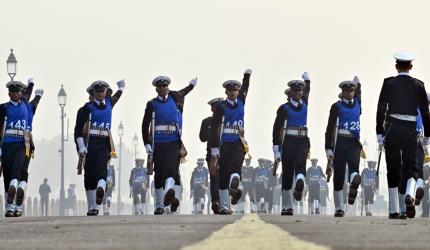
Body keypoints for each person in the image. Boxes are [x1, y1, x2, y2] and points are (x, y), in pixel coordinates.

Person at [376, 52, 430, 219]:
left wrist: (379, 131)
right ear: (411, 67)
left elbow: (381, 108)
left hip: (393, 127)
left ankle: (394, 210)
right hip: (411, 128)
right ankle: (409, 193)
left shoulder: (388, 83)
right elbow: (425, 112)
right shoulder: (419, 85)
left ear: (396, 66)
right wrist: (427, 135)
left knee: (393, 168)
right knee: (411, 166)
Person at [142, 76, 197, 215]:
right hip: (158, 142)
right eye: (160, 87)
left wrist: (191, 85)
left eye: (165, 86)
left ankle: (170, 191)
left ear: (168, 87)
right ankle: (159, 205)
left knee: (171, 167)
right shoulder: (152, 104)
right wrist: (147, 143)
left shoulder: (175, 97)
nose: (163, 88)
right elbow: (145, 125)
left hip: (173, 140)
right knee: (159, 172)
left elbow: (185, 92)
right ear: (156, 89)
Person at [74, 79, 125, 216]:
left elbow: (116, 97)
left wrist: (121, 88)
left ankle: (101, 189)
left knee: (102, 169)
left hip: (104, 144)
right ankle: (92, 206)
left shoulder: (109, 104)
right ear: (93, 93)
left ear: (105, 92)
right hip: (90, 144)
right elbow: (78, 131)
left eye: (103, 91)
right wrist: (81, 146)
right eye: (98, 91)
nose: (101, 93)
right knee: (89, 175)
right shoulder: (86, 108)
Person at [210, 69, 252, 215]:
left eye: (236, 90)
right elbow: (215, 128)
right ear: (226, 92)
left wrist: (247, 76)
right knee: (222, 174)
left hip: (238, 141)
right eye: (231, 91)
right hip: (224, 143)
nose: (234, 93)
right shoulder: (221, 107)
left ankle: (235, 180)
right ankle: (224, 206)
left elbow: (246, 88)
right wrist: (214, 149)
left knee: (236, 164)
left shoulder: (241, 102)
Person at [273, 72, 311, 216]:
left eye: (300, 90)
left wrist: (308, 80)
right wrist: (276, 149)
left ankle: (300, 184)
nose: (298, 92)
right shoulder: (284, 108)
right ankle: (287, 206)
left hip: (303, 140)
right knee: (287, 172)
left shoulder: (305, 103)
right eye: (295, 90)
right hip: (288, 141)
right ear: (291, 92)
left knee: (300, 164)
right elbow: (276, 129)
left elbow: (308, 90)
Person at [325, 76, 362, 217]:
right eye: (347, 91)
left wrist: (359, 83)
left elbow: (360, 95)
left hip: (354, 142)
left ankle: (354, 181)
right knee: (339, 175)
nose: (350, 93)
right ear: (342, 92)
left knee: (354, 165)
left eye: (352, 91)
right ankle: (339, 207)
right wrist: (328, 148)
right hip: (339, 141)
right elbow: (329, 128)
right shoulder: (336, 107)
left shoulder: (358, 104)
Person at [15, 78, 43, 217]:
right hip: (27, 140)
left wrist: (31, 85)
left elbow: (28, 96)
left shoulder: (17, 107)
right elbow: (35, 100)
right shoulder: (31, 108)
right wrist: (38, 93)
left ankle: (14, 196)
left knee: (12, 171)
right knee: (23, 170)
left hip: (14, 139)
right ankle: (21, 187)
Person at [0, 80, 29, 217]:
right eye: (12, 92)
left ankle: (14, 185)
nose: (15, 94)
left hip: (21, 144)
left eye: (17, 92)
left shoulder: (25, 105)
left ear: (21, 93)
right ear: (9, 93)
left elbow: (29, 95)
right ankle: (9, 208)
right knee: (7, 174)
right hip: (6, 144)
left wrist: (31, 84)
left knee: (17, 168)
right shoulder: (3, 108)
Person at [199, 97, 223, 214]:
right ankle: (216, 202)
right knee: (214, 178)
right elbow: (202, 138)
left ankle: (223, 201)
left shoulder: (228, 120)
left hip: (226, 153)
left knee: (223, 178)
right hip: (212, 154)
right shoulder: (206, 121)